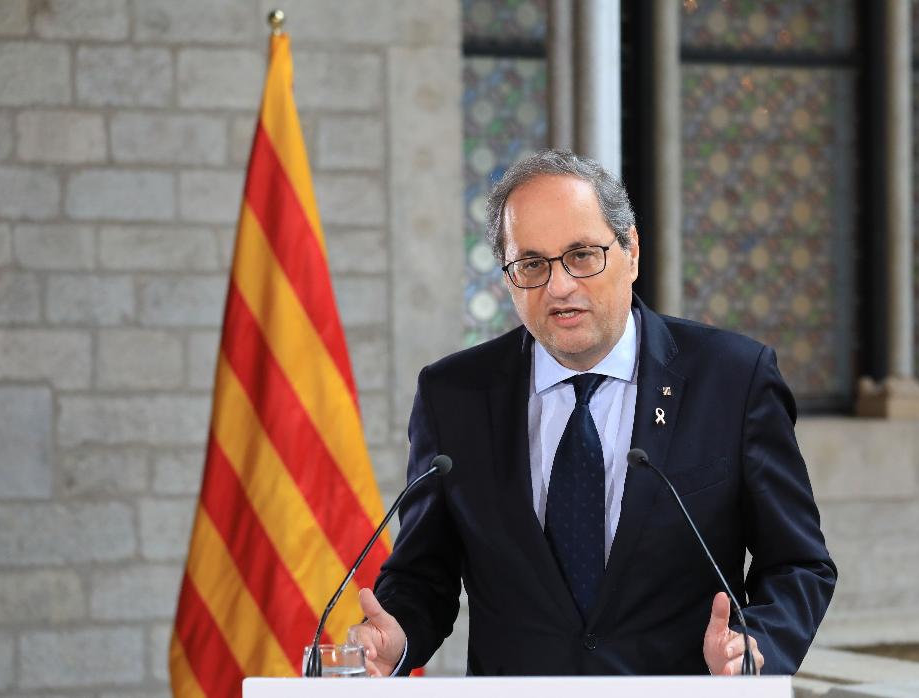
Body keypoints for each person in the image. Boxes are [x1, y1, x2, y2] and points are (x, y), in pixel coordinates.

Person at [349, 149, 836, 676]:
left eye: (582, 254)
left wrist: (756, 646)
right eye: (531, 264)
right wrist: (396, 635)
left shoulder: (733, 379)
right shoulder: (454, 395)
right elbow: (425, 575)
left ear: (631, 250)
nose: (559, 286)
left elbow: (797, 564)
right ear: (509, 276)